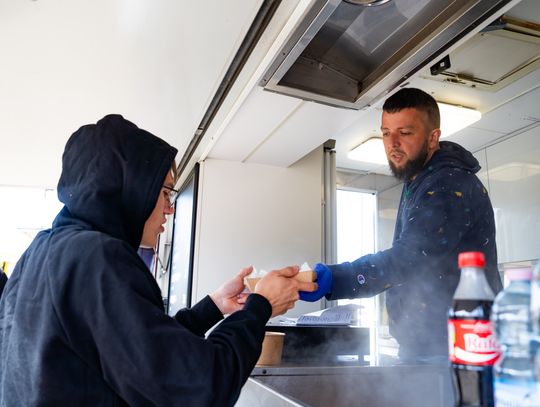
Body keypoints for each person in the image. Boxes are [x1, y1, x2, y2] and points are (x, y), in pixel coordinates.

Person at [0, 114, 316, 406]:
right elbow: (202, 387)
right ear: (131, 188)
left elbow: (138, 350)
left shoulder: (43, 250)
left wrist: (213, 306)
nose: (170, 208)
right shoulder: (97, 258)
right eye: (165, 192)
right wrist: (260, 306)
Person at [301, 88, 503, 363]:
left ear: (432, 138)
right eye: (386, 133)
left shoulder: (447, 184)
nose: (392, 143)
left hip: (456, 348)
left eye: (405, 133)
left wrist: (335, 279)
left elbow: (408, 258)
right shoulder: (418, 180)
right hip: (431, 345)